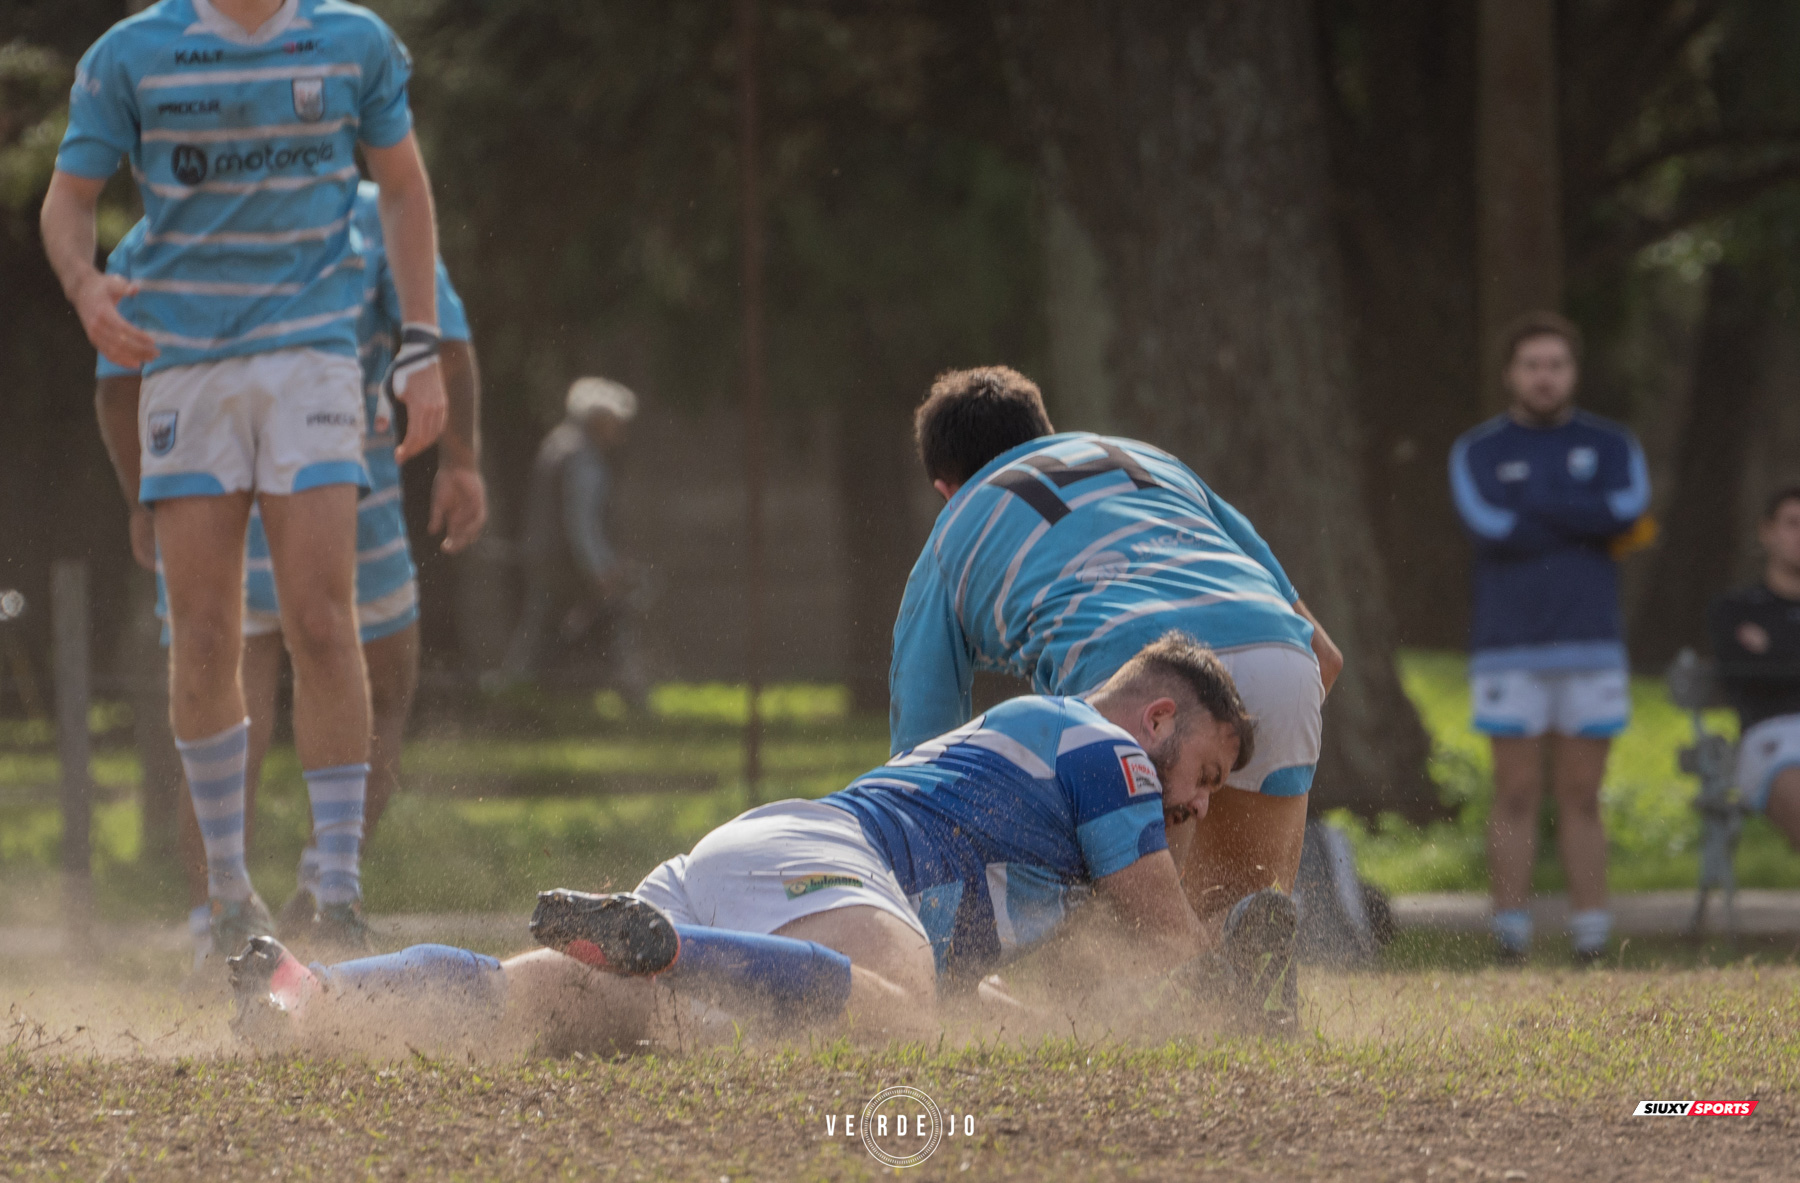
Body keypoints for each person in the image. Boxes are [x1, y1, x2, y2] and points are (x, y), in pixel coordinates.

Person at [230, 634, 1299, 1053]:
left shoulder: (1033, 760)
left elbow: (993, 982)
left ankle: (307, 993)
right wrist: (1244, 983)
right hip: (822, 858)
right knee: (901, 1016)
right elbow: (1168, 940)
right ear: (1160, 718)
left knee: (545, 1006)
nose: (1202, 807)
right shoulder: (1107, 750)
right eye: (1208, 774)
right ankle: (665, 948)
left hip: (765, 868)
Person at [43, 0, 449, 956]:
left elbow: (403, 186)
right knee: (205, 631)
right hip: (186, 364)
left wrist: (421, 343)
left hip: (312, 358)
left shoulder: (353, 41)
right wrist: (85, 284)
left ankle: (337, 891)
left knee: (322, 618)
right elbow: (68, 198)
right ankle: (226, 899)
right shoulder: (129, 54)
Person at [93, 180, 488, 956]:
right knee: (365, 697)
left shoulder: (159, 231)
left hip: (233, 513)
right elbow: (444, 339)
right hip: (334, 506)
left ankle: (236, 921)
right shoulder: (368, 213)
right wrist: (462, 459)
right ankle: (309, 897)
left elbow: (116, 387)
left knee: (235, 721)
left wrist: (144, 499)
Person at [887, 367, 1343, 930]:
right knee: (1239, 926)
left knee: (1136, 946)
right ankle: (1231, 946)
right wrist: (1219, 762)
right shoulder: (1152, 461)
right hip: (1279, 659)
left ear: (945, 491)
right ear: (1048, 433)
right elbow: (1326, 656)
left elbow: (922, 771)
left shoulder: (952, 532)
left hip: (1133, 677)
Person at [1448, 311, 1652, 964]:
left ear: (1574, 373)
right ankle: (1509, 936)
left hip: (1592, 646)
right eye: (1532, 365)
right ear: (1510, 373)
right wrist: (1582, 515)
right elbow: (1491, 527)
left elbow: (1628, 512)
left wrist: (1538, 507)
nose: (1544, 376)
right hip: (1509, 649)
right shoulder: (1477, 450)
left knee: (1582, 796)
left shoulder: (1614, 445)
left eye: (1556, 365)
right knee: (1515, 793)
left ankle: (1592, 937)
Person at [497, 377, 646, 701]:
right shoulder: (583, 457)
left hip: (547, 559)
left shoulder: (557, 444)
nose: (621, 430)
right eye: (616, 421)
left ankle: (515, 695)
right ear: (599, 419)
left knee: (541, 630)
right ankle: (631, 693)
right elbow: (581, 522)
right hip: (568, 565)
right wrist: (601, 570)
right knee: (611, 618)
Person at [1708, 486, 1800, 851]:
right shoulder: (1735, 609)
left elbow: (1767, 670)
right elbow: (1744, 676)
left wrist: (1772, 651)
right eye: (1793, 523)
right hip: (1770, 738)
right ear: (1767, 531)